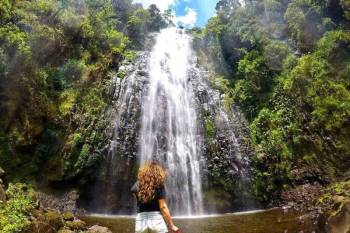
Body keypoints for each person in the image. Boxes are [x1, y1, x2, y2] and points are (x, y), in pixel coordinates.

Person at [131, 162, 180, 233]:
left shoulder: (137, 185)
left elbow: (134, 193)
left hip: (140, 222)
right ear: (157, 173)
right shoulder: (158, 185)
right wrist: (171, 225)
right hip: (156, 221)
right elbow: (163, 207)